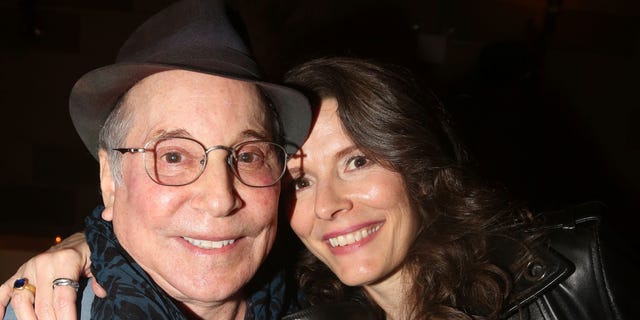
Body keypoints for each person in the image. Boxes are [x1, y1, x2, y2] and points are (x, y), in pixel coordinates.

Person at [3, 56, 638, 319]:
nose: (330, 204)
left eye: (358, 161)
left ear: (414, 162)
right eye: (301, 178)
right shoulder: (299, 306)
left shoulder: (578, 270)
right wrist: (93, 244)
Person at [1, 0, 313, 319]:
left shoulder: (324, 301)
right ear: (110, 180)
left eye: (248, 155)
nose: (220, 199)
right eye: (174, 156)